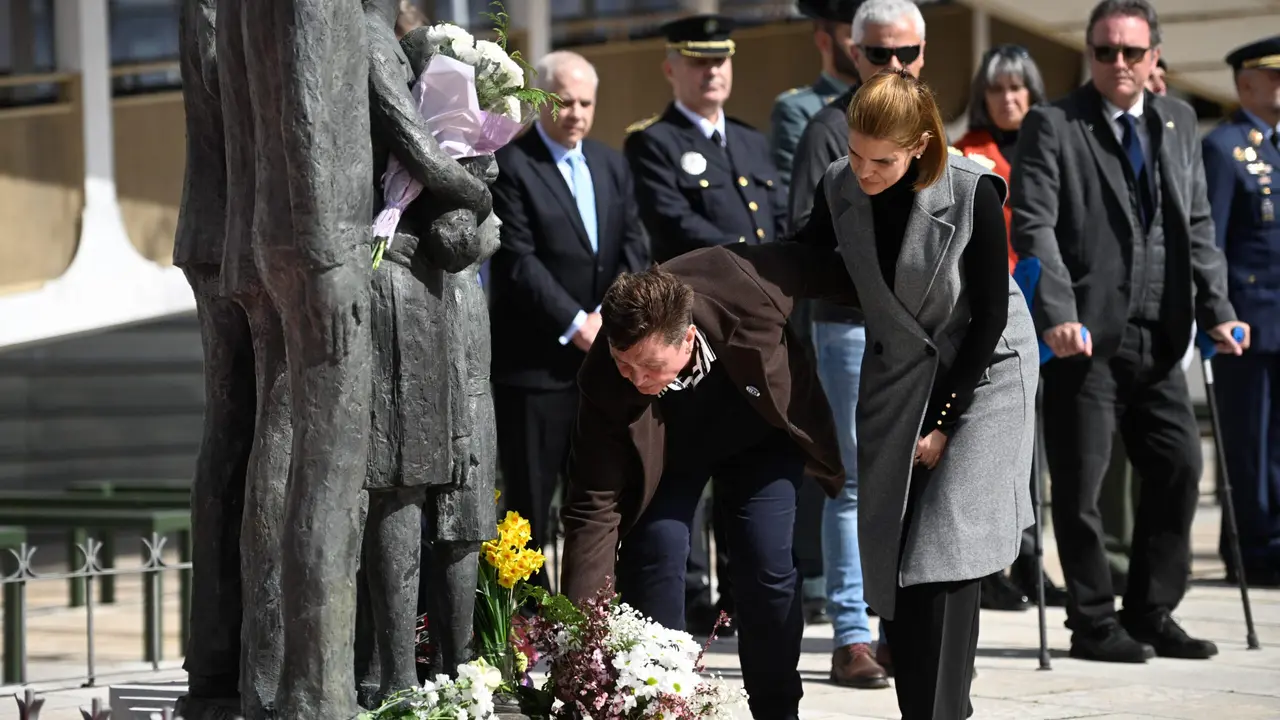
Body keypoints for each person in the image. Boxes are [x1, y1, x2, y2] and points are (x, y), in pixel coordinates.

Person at [790, 68, 1037, 719]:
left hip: (987, 377)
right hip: (904, 374)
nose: (864, 171)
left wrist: (943, 424)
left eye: (883, 160)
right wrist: (724, 270)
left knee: (944, 551)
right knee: (900, 562)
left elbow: (988, 317)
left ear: (922, 146)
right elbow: (804, 256)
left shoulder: (972, 188)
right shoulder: (842, 187)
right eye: (854, 152)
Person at [1011, 0, 1250, 664]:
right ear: (1090, 54)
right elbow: (1034, 226)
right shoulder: (1053, 123)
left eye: (1131, 52)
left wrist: (1219, 310)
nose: (1118, 63)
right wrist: (1057, 313)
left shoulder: (1177, 121)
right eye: (1105, 51)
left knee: (1179, 467)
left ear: (1154, 58)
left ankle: (1149, 610)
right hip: (1083, 338)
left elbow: (1197, 227)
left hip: (1161, 333)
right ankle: (1092, 621)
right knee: (1082, 487)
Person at [558, 241, 858, 720]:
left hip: (759, 437)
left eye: (650, 367)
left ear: (688, 338)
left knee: (766, 564)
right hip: (671, 455)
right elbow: (592, 506)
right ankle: (661, 706)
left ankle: (777, 709)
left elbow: (829, 268)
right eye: (625, 364)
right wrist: (579, 639)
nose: (635, 379)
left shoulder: (743, 280)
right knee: (654, 551)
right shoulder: (604, 376)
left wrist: (915, 313)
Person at [623, 13, 788, 634]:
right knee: (688, 466)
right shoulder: (653, 142)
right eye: (698, 61)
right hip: (695, 333)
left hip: (755, 338)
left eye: (720, 60)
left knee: (747, 469)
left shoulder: (750, 141)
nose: (711, 71)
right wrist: (756, 268)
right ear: (672, 68)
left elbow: (776, 223)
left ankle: (736, 597)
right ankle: (693, 594)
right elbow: (673, 228)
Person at [787, 0, 925, 682]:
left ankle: (902, 627)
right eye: (879, 54)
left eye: (908, 54)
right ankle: (851, 634)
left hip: (920, 335)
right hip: (848, 330)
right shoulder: (825, 127)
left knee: (909, 482)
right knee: (849, 485)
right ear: (852, 52)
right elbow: (805, 239)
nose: (894, 67)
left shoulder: (930, 127)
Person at [489, 50, 651, 588]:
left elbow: (633, 243)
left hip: (603, 361)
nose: (576, 112)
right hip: (536, 368)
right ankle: (528, 636)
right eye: (564, 101)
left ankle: (586, 629)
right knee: (530, 505)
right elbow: (517, 260)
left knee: (596, 500)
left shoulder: (610, 163)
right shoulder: (512, 165)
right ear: (541, 99)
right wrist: (575, 322)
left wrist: (610, 317)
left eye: (586, 102)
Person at [952, 43, 1069, 610]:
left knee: (1037, 452)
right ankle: (993, 564)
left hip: (1048, 313)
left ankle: (1030, 560)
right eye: (997, 88)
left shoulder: (1055, 145)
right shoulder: (965, 151)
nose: (1008, 98)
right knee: (992, 447)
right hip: (988, 314)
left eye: (1018, 86)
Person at [767, 0, 863, 632]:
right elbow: (802, 217)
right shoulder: (811, 114)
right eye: (871, 49)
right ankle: (841, 606)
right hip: (832, 308)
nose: (886, 64)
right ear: (834, 40)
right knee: (838, 469)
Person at [1201, 36, 1280, 587]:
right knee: (1250, 445)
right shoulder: (1225, 146)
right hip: (1248, 324)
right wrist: (1219, 313)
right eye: (1274, 76)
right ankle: (1253, 548)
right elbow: (1214, 243)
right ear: (1245, 83)